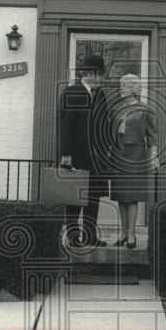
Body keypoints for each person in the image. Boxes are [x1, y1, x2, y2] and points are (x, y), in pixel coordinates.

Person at [58, 55, 113, 247]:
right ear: (90, 73)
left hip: (97, 159)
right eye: (100, 75)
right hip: (77, 157)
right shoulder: (71, 92)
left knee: (93, 197)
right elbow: (66, 127)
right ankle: (73, 237)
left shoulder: (101, 95)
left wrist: (107, 149)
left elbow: (105, 125)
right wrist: (66, 155)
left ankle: (90, 236)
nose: (102, 79)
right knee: (74, 197)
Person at [108, 73, 159, 249]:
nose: (121, 88)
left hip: (136, 155)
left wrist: (153, 156)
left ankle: (132, 235)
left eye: (124, 86)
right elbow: (109, 133)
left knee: (132, 197)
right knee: (121, 197)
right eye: (121, 85)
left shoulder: (145, 109)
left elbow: (152, 136)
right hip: (118, 154)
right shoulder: (116, 109)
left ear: (133, 89)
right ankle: (123, 233)